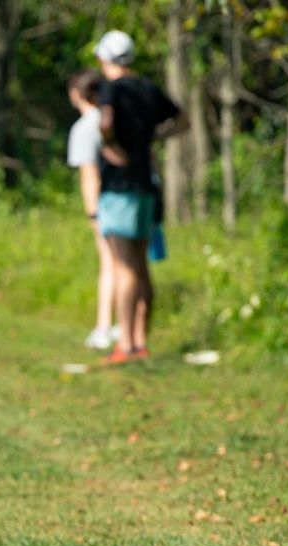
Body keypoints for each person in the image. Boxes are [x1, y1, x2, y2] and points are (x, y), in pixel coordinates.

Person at [93, 31, 187, 365]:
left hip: (120, 186)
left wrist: (110, 144)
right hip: (147, 184)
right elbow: (182, 119)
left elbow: (106, 121)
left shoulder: (112, 89)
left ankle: (127, 344)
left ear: (104, 58)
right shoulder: (148, 88)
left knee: (124, 265)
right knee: (142, 264)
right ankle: (141, 340)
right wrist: (152, 139)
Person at [66, 69, 118, 351]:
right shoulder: (114, 119)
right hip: (128, 196)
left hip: (105, 203)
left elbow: (89, 176)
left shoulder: (84, 128)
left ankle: (103, 326)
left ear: (78, 95)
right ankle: (125, 323)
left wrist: (92, 213)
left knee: (108, 264)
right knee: (127, 264)